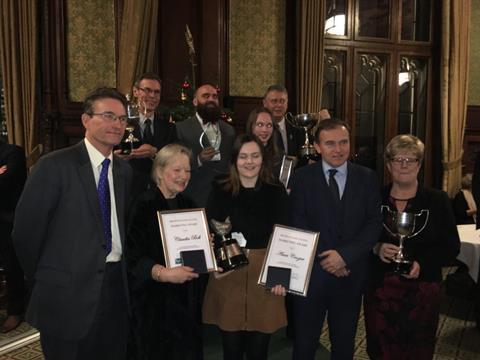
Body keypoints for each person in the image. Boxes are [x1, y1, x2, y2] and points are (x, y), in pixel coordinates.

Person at [12, 87, 132, 359]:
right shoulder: (53, 166)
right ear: (86, 119)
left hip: (114, 291)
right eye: (109, 115)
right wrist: (49, 277)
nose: (117, 124)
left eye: (123, 119)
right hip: (65, 295)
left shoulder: (124, 171)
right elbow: (25, 235)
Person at [289, 118, 382, 359]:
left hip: (350, 275)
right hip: (311, 275)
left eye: (343, 142)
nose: (338, 149)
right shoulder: (301, 178)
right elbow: (298, 224)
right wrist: (329, 259)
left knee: (343, 344)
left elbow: (373, 224)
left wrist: (345, 257)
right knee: (304, 344)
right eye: (330, 143)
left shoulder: (368, 177)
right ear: (318, 147)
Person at [363, 134, 460, 360]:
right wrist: (376, 248)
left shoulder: (437, 200)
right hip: (380, 292)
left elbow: (451, 246)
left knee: (416, 351)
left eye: (411, 159)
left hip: (422, 293)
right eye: (398, 159)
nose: (404, 164)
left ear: (419, 164)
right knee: (380, 350)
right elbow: (360, 237)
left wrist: (422, 262)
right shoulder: (373, 198)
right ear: (388, 165)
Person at [202, 134, 288, 360]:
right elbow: (210, 232)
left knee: (259, 350)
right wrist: (216, 267)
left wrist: (281, 275)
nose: (249, 162)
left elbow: (284, 235)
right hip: (229, 272)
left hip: (264, 273)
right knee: (231, 349)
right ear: (234, 160)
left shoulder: (275, 189)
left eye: (255, 156)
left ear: (263, 158)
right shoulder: (220, 188)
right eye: (243, 157)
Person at [126, 143, 204, 360]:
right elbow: (132, 257)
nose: (183, 176)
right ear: (159, 171)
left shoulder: (189, 204)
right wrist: (162, 273)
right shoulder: (143, 205)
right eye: (177, 170)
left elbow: (197, 255)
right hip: (153, 305)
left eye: (187, 170)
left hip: (186, 302)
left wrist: (209, 255)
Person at [117, 72, 177, 203]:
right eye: (147, 90)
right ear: (135, 91)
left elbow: (175, 159)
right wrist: (118, 156)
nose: (152, 96)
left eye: (157, 92)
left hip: (160, 194)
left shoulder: (169, 128)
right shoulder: (121, 124)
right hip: (128, 193)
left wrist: (155, 153)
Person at [176, 83, 236, 207]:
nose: (211, 100)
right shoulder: (181, 129)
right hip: (192, 197)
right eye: (205, 96)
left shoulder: (229, 131)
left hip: (223, 198)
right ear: (195, 101)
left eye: (214, 97)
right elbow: (175, 163)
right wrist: (198, 160)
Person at [0, 140, 27, 332]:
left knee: (12, 267)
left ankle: (15, 310)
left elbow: (6, 182)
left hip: (8, 220)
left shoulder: (13, 153)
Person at [262, 85, 303, 157]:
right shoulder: (259, 129)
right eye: (274, 101)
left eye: (282, 101)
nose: (279, 105)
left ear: (287, 103)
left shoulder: (297, 128)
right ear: (265, 103)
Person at [245, 107, 282, 179]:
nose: (264, 130)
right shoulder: (240, 153)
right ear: (251, 126)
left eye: (269, 125)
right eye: (260, 125)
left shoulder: (280, 157)